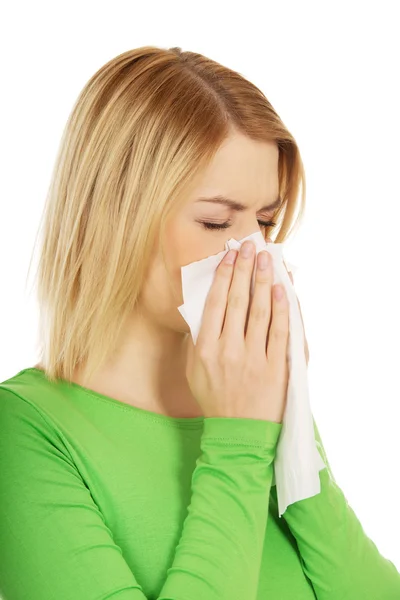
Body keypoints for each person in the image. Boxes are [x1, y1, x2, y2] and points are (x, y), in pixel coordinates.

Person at [0, 45, 399, 600]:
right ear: (117, 218)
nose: (255, 253)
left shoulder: (256, 398)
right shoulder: (23, 432)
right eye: (216, 221)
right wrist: (237, 444)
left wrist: (289, 418)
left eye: (265, 221)